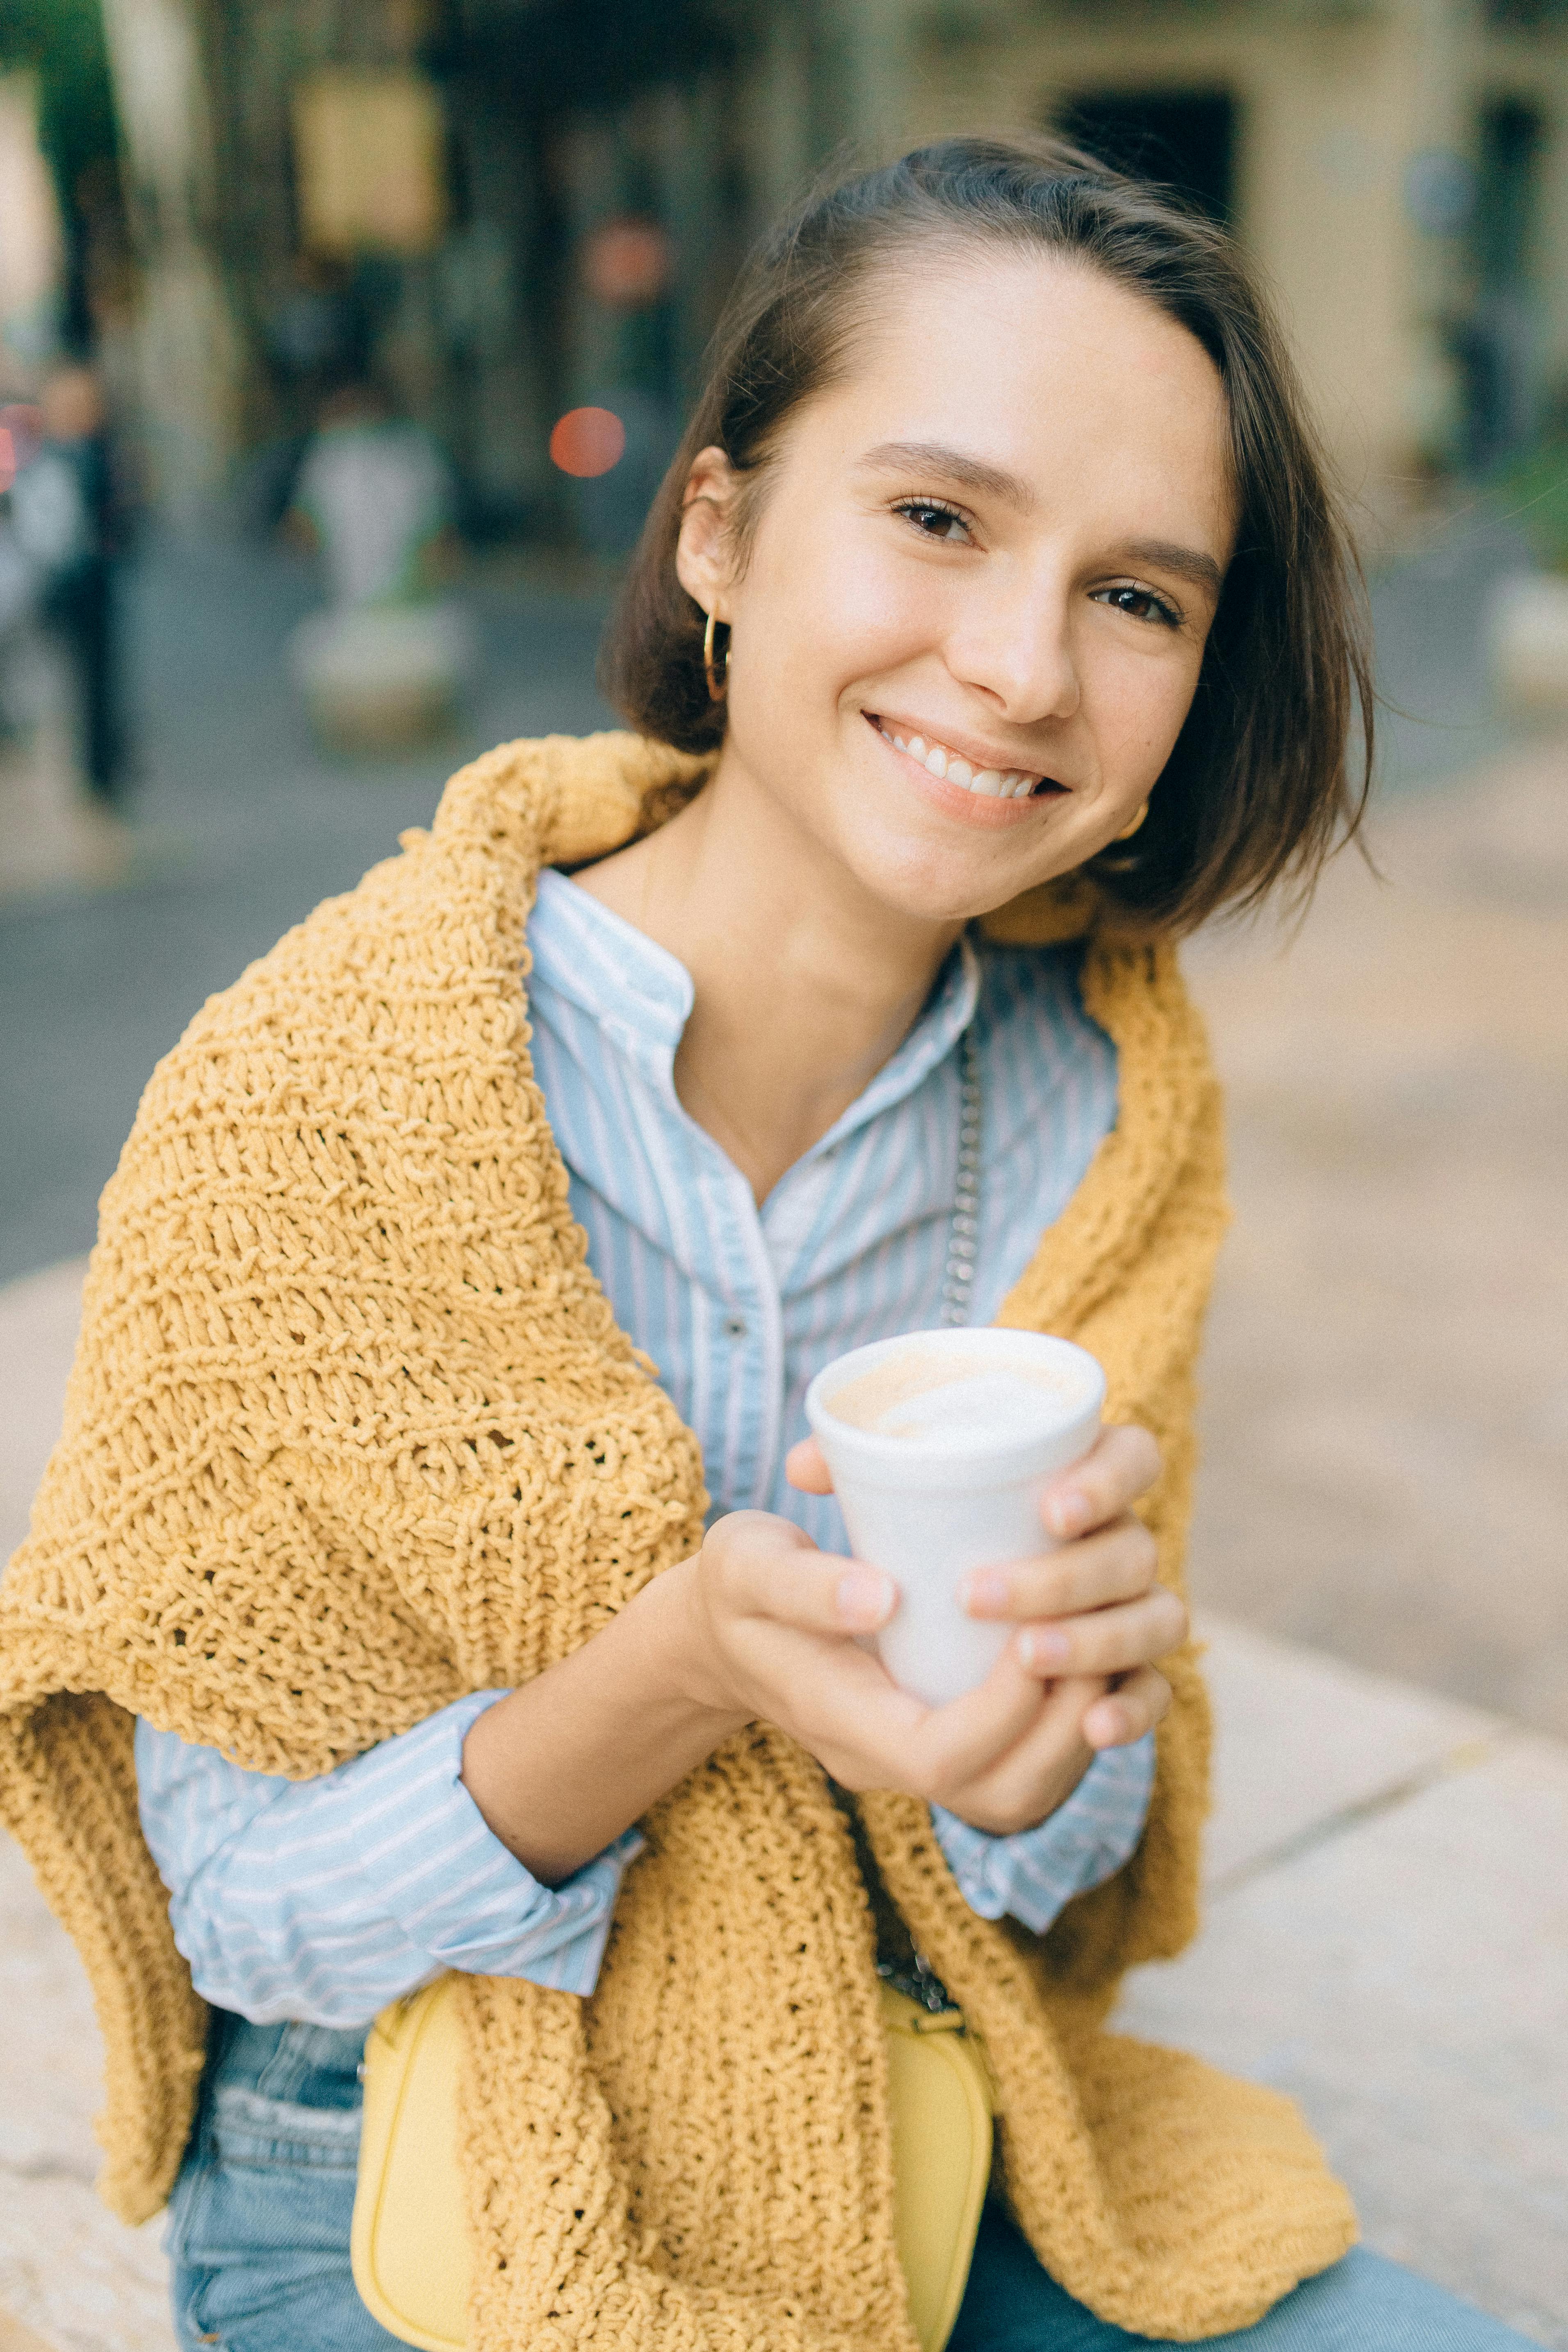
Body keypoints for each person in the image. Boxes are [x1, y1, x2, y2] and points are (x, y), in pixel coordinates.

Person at [0, 137, 1539, 2352]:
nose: (1020, 667)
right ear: (719, 532)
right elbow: (240, 1911)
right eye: (937, 519)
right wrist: (681, 1668)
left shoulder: (1109, 1104)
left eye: (1141, 595)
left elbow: (1051, 1854)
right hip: (406, 2168)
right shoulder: (317, 1098)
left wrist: (1053, 1745)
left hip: (928, 2099)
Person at [9, 360, 134, 804]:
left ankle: (101, 765)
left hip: (91, 579)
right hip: (60, 582)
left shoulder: (96, 454)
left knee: (97, 676)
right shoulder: (44, 458)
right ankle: (87, 766)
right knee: (67, 680)